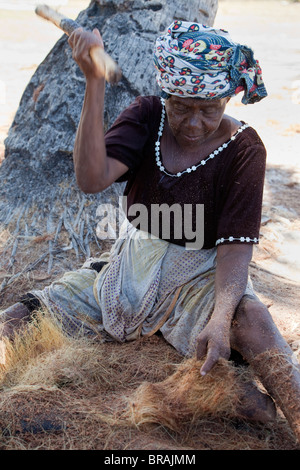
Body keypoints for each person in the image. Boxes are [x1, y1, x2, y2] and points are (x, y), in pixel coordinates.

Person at [1, 21, 300, 441]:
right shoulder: (146, 116)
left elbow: (235, 247)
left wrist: (219, 316)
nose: (195, 123)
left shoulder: (244, 148)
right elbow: (91, 178)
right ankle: (242, 398)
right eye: (182, 106)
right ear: (166, 95)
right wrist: (94, 81)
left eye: (209, 108)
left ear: (230, 96)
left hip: (201, 274)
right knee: (20, 317)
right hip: (129, 265)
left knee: (251, 320)